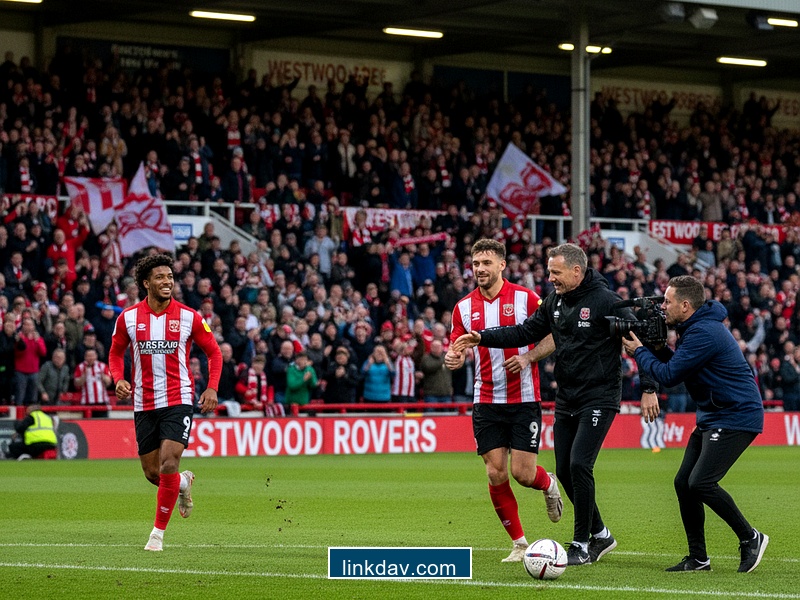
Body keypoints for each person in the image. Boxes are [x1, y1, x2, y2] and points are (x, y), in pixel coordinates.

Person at [451, 242, 659, 565]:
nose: (550, 278)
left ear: (577, 271)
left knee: (579, 465)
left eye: (556, 272)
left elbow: (639, 338)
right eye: (549, 272)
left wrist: (649, 387)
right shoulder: (555, 302)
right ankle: (602, 535)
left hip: (600, 396)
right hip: (567, 397)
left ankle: (580, 543)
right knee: (563, 469)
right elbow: (524, 332)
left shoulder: (606, 301)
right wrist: (482, 337)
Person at [621, 275, 768, 573]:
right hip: (714, 414)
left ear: (685, 305)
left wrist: (640, 351)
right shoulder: (695, 327)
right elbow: (679, 364)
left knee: (701, 482)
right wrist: (657, 347)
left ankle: (751, 537)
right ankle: (698, 558)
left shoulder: (704, 332)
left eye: (667, 301)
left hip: (736, 414)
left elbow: (670, 375)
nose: (663, 306)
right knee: (683, 483)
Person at [445, 238, 562, 563]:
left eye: (486, 263)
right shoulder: (464, 307)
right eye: (475, 263)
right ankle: (520, 543)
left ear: (501, 265)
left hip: (524, 399)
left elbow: (555, 335)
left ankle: (548, 483)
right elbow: (454, 345)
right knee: (496, 473)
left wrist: (529, 358)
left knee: (523, 474)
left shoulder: (527, 299)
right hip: (486, 400)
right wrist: (451, 358)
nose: (480, 269)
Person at [109, 254, 221, 552]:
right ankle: (182, 484)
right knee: (153, 473)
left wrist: (211, 388)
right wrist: (118, 378)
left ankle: (156, 535)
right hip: (144, 401)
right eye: (160, 277)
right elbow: (116, 352)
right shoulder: (128, 318)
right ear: (146, 283)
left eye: (170, 277)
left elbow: (214, 353)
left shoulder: (189, 316)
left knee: (169, 461)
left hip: (179, 398)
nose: (167, 282)